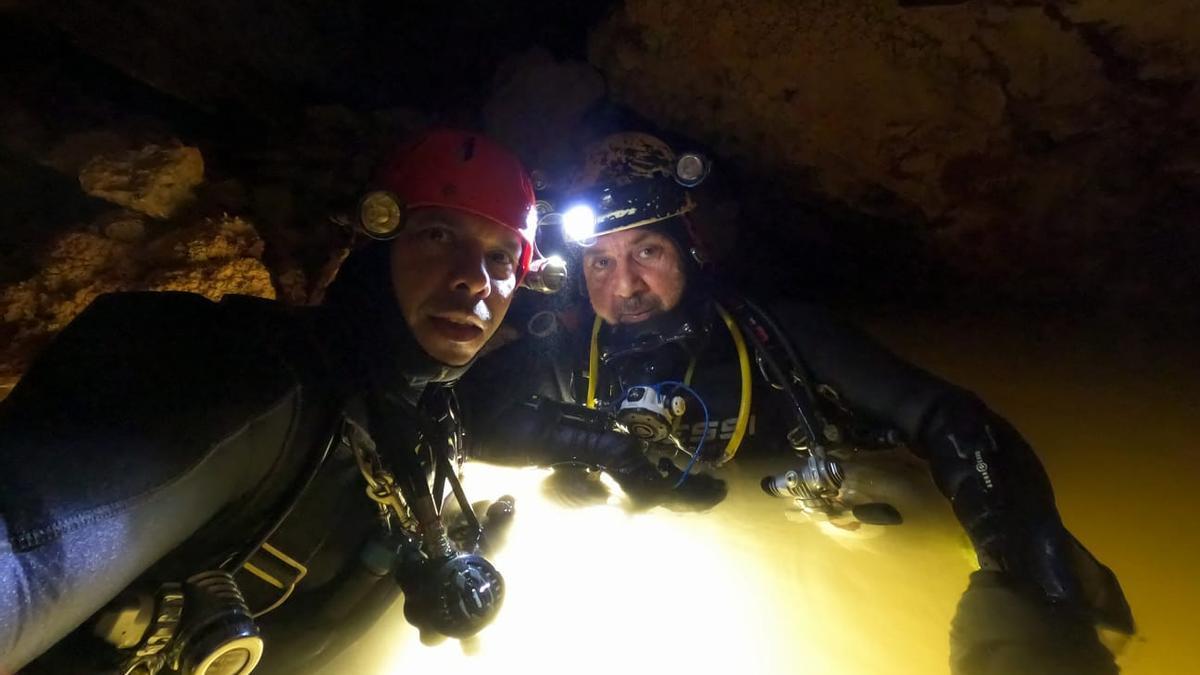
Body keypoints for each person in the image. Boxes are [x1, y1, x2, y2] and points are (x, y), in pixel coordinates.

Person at [459, 132, 1135, 673]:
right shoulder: (572, 352)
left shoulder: (779, 336)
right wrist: (598, 444)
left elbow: (951, 419)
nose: (625, 284)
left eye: (648, 250)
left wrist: (1022, 580)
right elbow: (472, 415)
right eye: (600, 262)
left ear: (692, 250)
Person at [0, 129, 550, 675]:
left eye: (501, 257)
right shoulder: (251, 378)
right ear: (374, 243)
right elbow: (27, 559)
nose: (474, 280)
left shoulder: (431, 421)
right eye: (438, 235)